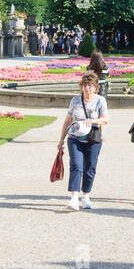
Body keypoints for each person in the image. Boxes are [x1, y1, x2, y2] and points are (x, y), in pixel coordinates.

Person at [57, 73, 109, 210]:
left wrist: (95, 121)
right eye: (85, 85)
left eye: (91, 86)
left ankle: (85, 195)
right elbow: (67, 121)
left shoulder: (100, 100)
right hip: (75, 139)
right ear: (82, 87)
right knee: (76, 166)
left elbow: (106, 119)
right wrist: (61, 140)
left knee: (90, 168)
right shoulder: (75, 100)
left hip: (93, 139)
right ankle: (74, 198)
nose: (88, 89)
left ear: (96, 87)